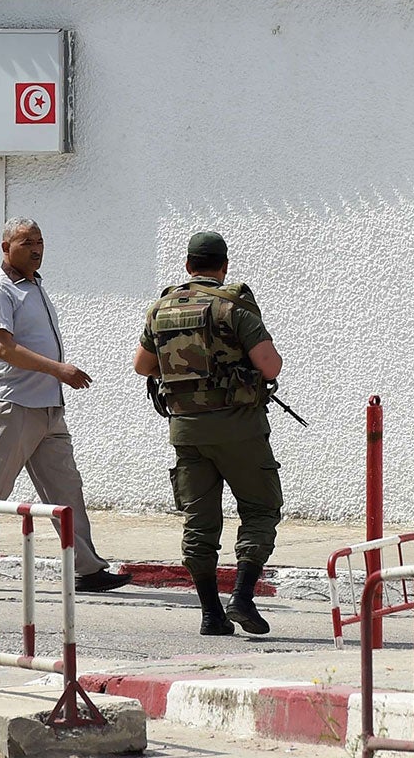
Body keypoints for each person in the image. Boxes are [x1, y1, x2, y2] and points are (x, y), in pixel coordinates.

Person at [0, 218, 130, 594]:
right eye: (26, 242)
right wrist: (58, 369)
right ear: (5, 247)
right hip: (13, 406)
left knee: (67, 490)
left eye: (40, 241)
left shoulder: (34, 286)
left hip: (48, 406)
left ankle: (87, 567)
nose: (36, 248)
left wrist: (55, 381)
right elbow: (5, 348)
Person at [134, 230, 283, 637]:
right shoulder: (232, 305)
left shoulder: (160, 309)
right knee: (260, 508)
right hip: (239, 428)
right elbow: (270, 366)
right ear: (224, 265)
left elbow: (141, 365)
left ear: (187, 266)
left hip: (186, 431)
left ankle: (211, 614)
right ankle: (243, 597)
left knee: (199, 523)